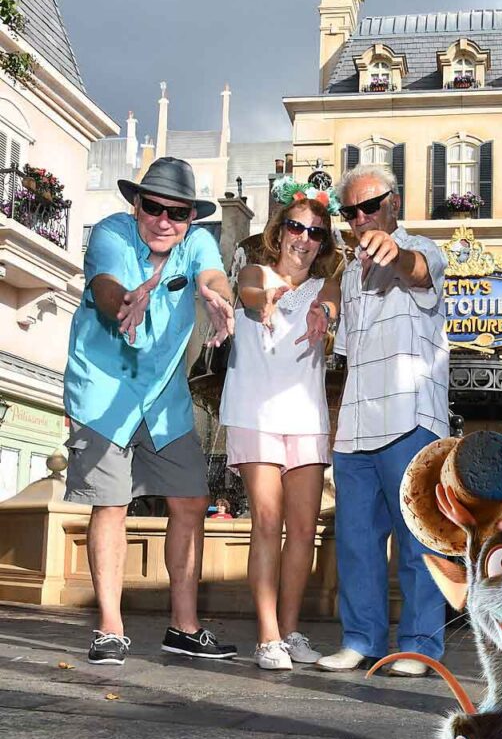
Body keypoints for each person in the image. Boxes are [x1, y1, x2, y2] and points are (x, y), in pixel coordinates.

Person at [64, 157, 237, 665]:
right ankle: (110, 629)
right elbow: (103, 287)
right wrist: (123, 302)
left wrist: (218, 298)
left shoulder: (197, 242)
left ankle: (184, 627)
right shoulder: (111, 235)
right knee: (111, 505)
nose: (164, 220)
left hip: (165, 400)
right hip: (102, 391)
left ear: (189, 218)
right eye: (153, 207)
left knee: (190, 500)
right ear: (135, 205)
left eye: (177, 212)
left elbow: (213, 277)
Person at [316, 164, 449, 677]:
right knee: (355, 541)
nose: (360, 218)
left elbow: (416, 270)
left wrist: (398, 257)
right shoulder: (348, 273)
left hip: (412, 415)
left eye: (370, 206)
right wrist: (323, 312)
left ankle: (419, 646)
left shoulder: (424, 248)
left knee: (418, 541)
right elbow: (348, 350)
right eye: (350, 211)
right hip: (355, 422)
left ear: (395, 203)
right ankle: (361, 639)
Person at [219, 179, 341, 671]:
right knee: (267, 523)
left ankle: (290, 631)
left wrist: (324, 313)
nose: (304, 238)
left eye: (315, 232)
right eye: (296, 227)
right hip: (255, 412)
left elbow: (331, 301)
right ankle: (267, 636)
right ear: (280, 230)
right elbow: (249, 292)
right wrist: (264, 300)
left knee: (304, 528)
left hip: (307, 418)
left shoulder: (326, 282)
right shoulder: (256, 271)